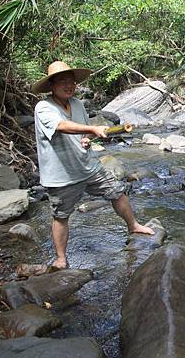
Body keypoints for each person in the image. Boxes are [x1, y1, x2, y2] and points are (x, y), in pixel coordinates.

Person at [32, 61, 154, 270]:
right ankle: (61, 258)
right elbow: (61, 126)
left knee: (117, 192)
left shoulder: (77, 104)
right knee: (61, 216)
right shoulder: (44, 107)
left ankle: (133, 226)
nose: (69, 85)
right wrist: (92, 128)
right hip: (62, 174)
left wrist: (90, 136)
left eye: (72, 81)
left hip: (88, 166)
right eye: (63, 81)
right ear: (51, 85)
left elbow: (83, 132)